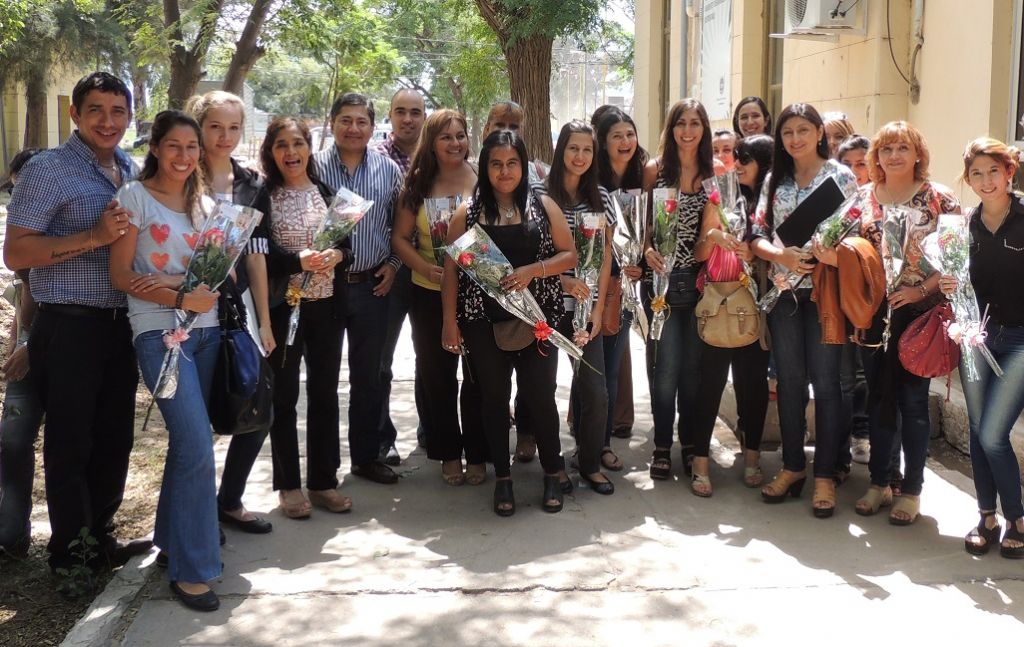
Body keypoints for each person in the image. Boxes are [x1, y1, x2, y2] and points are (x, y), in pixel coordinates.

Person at [4, 71, 153, 573]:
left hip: (121, 325)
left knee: (114, 438)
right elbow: (16, 252)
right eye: (96, 110)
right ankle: (70, 556)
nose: (108, 122)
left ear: (129, 116)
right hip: (68, 327)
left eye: (117, 111)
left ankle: (100, 540)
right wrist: (92, 236)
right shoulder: (47, 170)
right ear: (75, 113)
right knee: (71, 443)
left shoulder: (130, 169)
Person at [108, 110, 222, 611]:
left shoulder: (207, 204)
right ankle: (193, 570)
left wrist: (183, 287)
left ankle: (172, 541)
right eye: (173, 145)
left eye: (191, 147)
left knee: (189, 444)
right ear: (155, 148)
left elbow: (217, 273)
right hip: (158, 334)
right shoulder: (132, 198)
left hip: (208, 332)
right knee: (196, 446)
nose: (183, 156)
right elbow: (120, 276)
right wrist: (179, 293)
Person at [441, 130, 576, 516]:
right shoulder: (467, 213)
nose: (504, 171)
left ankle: (552, 471)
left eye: (512, 163)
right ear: (485, 167)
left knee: (541, 396)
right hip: (482, 321)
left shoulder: (542, 206)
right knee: (494, 399)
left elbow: (569, 255)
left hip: (537, 319)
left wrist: (535, 270)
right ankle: (503, 477)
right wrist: (449, 322)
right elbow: (451, 273)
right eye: (496, 164)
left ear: (523, 165)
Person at [750, 103, 859, 517]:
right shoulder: (774, 181)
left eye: (803, 130)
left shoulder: (841, 177)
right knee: (790, 383)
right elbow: (756, 235)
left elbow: (856, 235)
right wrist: (782, 255)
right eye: (787, 132)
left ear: (819, 133)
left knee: (827, 385)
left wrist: (826, 253)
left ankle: (826, 474)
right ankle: (793, 466)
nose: (795, 139)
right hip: (785, 297)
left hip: (826, 296)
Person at [850, 121, 959, 525]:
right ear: (876, 156)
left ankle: (911, 490)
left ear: (918, 155)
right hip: (874, 314)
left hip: (920, 315)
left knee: (913, 403)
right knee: (879, 400)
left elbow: (956, 257)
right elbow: (836, 244)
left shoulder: (939, 199)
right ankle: (880, 482)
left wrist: (920, 291)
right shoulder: (862, 198)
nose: (894, 155)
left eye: (902, 148)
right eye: (886, 149)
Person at [184, 90, 273, 536]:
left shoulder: (253, 185)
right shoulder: (181, 176)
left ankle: (230, 500)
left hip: (238, 313)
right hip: (185, 312)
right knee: (194, 424)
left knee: (255, 404)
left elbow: (256, 256)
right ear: (199, 127)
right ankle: (195, 519)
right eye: (215, 126)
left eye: (234, 127)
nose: (225, 136)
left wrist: (266, 322)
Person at [257, 116, 353, 518]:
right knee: (284, 396)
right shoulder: (263, 196)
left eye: (297, 143)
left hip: (327, 307)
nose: (291, 152)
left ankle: (323, 481)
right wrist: (297, 260)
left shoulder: (326, 192)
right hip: (284, 308)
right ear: (271, 152)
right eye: (282, 145)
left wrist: (337, 254)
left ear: (309, 149)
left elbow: (346, 244)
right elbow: (258, 255)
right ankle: (288, 486)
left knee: (325, 393)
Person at [313, 93, 403, 485]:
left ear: (372, 125)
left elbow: (401, 227)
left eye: (361, 121)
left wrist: (394, 265)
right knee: (323, 380)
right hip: (323, 289)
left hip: (371, 287)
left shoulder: (388, 171)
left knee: (369, 378)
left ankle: (366, 458)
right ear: (332, 122)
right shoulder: (312, 167)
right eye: (345, 120)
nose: (353, 128)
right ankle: (322, 470)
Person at [940, 137, 1024, 557]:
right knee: (977, 429)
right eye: (977, 174)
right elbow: (955, 284)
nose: (986, 180)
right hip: (974, 336)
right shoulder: (960, 228)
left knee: (993, 434)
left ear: (1009, 173)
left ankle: (1017, 518)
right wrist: (946, 285)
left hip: (1020, 340)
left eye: (994, 171)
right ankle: (986, 516)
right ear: (968, 179)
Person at [391, 109, 484, 485]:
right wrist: (426, 267)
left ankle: (478, 453)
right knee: (438, 376)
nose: (455, 143)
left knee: (478, 376)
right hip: (428, 293)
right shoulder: (417, 184)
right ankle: (447, 452)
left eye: (460, 135)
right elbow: (400, 239)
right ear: (431, 143)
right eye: (446, 137)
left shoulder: (482, 178)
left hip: (476, 294)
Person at [642, 98, 716, 481]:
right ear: (671, 129)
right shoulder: (655, 171)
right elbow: (641, 227)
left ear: (704, 129)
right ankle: (661, 446)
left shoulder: (713, 174)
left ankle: (689, 444)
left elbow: (711, 238)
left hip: (700, 284)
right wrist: (647, 250)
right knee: (665, 370)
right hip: (660, 284)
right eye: (681, 123)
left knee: (693, 373)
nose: (688, 131)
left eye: (695, 123)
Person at [541, 120, 616, 494]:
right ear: (561, 150)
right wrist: (561, 281)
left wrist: (598, 309)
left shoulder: (600, 197)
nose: (580, 156)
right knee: (542, 390)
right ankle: (552, 466)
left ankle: (588, 463)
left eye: (587, 149)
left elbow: (605, 256)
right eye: (573, 148)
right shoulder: (540, 194)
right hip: (545, 307)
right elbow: (530, 252)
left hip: (585, 312)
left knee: (595, 391)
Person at [593, 107, 647, 463]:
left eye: (630, 133)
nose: (625, 141)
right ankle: (589, 434)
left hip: (629, 286)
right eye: (616, 136)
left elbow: (652, 227)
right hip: (596, 282)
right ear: (603, 142)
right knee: (593, 365)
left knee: (612, 364)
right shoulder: (593, 181)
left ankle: (603, 440)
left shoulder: (645, 176)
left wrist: (643, 260)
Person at [376, 88, 426, 464]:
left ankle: (433, 430)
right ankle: (382, 438)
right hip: (388, 275)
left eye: (415, 112)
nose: (408, 119)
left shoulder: (438, 158)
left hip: (431, 274)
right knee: (381, 360)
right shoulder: (376, 160)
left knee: (432, 358)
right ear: (391, 115)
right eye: (401, 111)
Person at [0, 148, 44, 557]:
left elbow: (49, 298)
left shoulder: (60, 227)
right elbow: (22, 294)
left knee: (67, 446)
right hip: (28, 348)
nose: (16, 198)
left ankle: (80, 543)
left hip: (54, 347)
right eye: (14, 189)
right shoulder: (22, 225)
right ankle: (11, 537)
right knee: (12, 441)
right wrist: (16, 343)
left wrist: (30, 346)